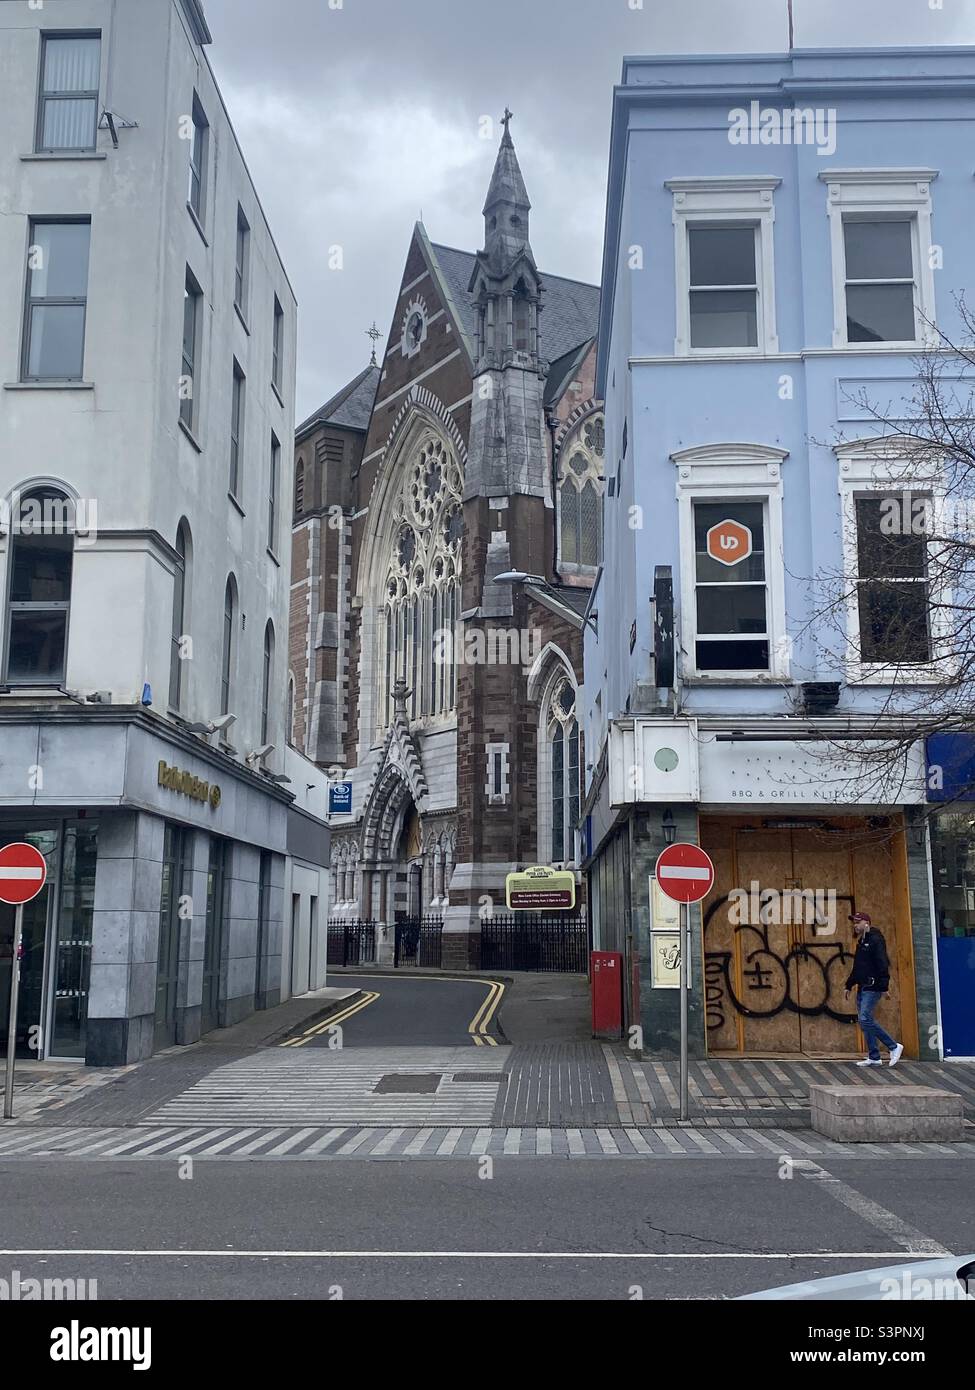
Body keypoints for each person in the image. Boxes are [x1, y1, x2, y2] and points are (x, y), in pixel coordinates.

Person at [843, 911, 903, 1067]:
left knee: (864, 1018)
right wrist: (849, 984)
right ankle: (874, 1057)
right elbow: (858, 966)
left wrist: (884, 986)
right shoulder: (861, 942)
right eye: (854, 923)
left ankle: (893, 1046)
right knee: (865, 1022)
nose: (855, 925)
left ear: (866, 923)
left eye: (858, 922)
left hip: (873, 986)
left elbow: (882, 963)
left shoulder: (876, 940)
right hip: (863, 986)